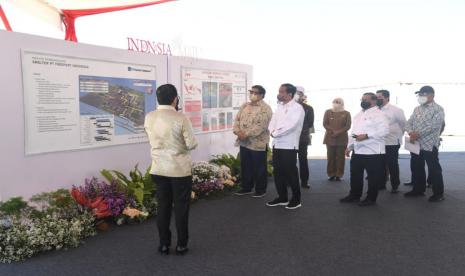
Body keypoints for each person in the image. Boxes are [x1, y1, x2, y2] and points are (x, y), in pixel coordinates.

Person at [144, 84, 198, 255]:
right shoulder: (181, 118)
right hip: (179, 170)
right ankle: (181, 245)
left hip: (158, 169)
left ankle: (163, 244)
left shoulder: (149, 117)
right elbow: (191, 144)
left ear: (157, 98)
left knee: (163, 207)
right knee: (181, 208)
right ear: (175, 98)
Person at [340, 92, 389, 206]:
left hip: (373, 151)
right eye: (362, 99)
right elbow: (353, 132)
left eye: (366, 99)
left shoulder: (379, 114)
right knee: (355, 174)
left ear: (374, 101)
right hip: (358, 150)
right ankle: (354, 195)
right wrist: (349, 146)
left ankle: (371, 199)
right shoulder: (359, 115)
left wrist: (367, 135)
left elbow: (384, 131)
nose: (363, 101)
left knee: (373, 177)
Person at [404, 86, 445, 202]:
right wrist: (411, 132)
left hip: (429, 144)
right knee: (417, 167)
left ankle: (438, 194)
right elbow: (408, 123)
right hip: (415, 143)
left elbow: (434, 126)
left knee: (434, 169)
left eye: (423, 94)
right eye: (419, 95)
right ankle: (418, 190)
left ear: (431, 95)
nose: (420, 97)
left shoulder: (438, 109)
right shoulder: (417, 109)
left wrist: (417, 134)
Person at [267, 83, 304, 209]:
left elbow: (291, 125)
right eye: (279, 91)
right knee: (278, 173)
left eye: (282, 92)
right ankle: (282, 197)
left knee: (291, 174)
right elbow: (272, 121)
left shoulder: (297, 108)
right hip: (277, 145)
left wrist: (276, 133)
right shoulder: (280, 107)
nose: (279, 94)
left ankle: (296, 199)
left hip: (289, 145)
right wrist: (271, 131)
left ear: (289, 94)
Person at [233, 85, 273, 197]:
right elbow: (237, 120)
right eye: (251, 92)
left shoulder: (266, 108)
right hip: (244, 141)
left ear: (261, 95)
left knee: (259, 167)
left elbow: (262, 126)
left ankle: (261, 190)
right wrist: (237, 131)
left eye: (255, 93)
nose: (252, 94)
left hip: (258, 143)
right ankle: (246, 187)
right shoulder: (245, 106)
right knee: (245, 165)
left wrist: (246, 134)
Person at [376, 90, 407, 193]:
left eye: (379, 97)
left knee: (392, 164)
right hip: (379, 141)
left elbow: (404, 125)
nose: (377, 99)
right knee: (380, 164)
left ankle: (395, 185)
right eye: (376, 97)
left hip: (392, 141)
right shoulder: (375, 110)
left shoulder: (396, 110)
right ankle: (381, 183)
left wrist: (398, 135)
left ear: (386, 97)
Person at [323, 97, 351, 181]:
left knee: (340, 158)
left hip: (342, 139)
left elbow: (348, 126)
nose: (336, 103)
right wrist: (332, 131)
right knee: (330, 157)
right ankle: (331, 174)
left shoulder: (346, 113)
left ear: (342, 103)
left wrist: (338, 132)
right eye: (335, 101)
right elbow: (325, 124)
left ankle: (339, 174)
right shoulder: (328, 112)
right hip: (330, 137)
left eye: (338, 102)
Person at [295, 86, 314, 188]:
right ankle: (291, 181)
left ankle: (304, 181)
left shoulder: (308, 108)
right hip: (290, 140)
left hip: (302, 139)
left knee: (303, 160)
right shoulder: (287, 107)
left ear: (303, 95)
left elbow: (310, 124)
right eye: (295, 92)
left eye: (299, 93)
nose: (297, 95)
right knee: (290, 162)